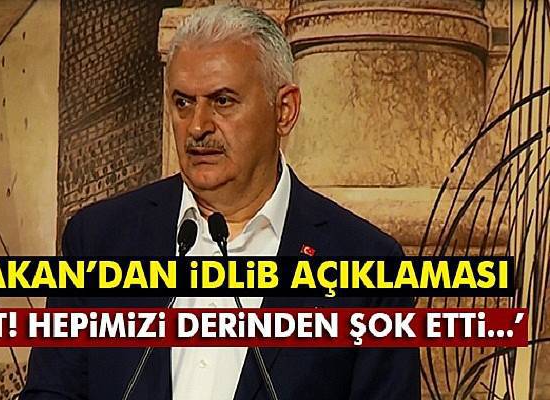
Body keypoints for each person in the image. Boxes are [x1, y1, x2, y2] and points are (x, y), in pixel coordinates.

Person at [22, 5, 420, 400]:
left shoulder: (367, 265)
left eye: (223, 101)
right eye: (183, 102)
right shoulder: (99, 241)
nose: (197, 126)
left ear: (284, 110)